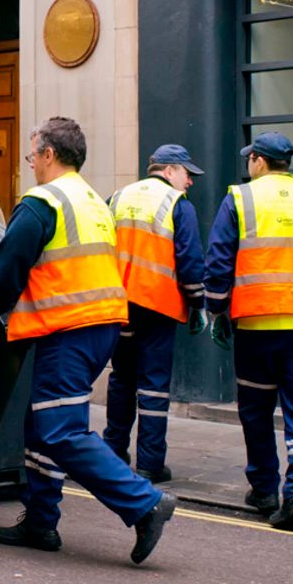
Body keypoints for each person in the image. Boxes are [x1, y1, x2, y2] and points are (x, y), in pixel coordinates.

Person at [0, 116, 176, 565]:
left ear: (48, 154)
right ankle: (42, 521)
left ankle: (144, 504)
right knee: (41, 424)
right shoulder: (92, 201)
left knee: (61, 431)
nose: (31, 164)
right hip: (99, 325)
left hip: (70, 327)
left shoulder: (43, 202)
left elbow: (10, 263)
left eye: (31, 155)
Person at [203, 131, 293, 531]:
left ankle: (265, 489)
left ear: (259, 162)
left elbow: (218, 261)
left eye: (250, 157)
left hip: (256, 323)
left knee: (255, 409)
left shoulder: (240, 197)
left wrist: (217, 312)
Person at [104, 144, 208, 483]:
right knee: (153, 385)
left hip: (119, 305)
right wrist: (197, 303)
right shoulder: (177, 205)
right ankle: (150, 463)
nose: (190, 181)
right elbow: (190, 261)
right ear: (169, 170)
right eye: (187, 173)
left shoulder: (118, 197)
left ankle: (113, 451)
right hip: (157, 307)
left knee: (121, 378)